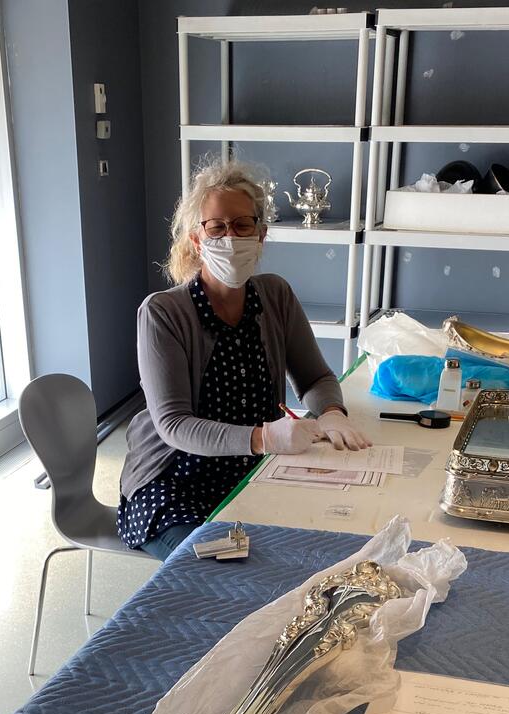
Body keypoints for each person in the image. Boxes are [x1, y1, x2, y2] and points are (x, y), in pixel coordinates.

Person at [118, 159, 371, 559]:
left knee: (323, 542)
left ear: (261, 234)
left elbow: (316, 378)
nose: (230, 237)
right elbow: (173, 425)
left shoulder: (275, 295)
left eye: (242, 225)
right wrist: (263, 437)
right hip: (175, 480)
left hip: (254, 470)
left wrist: (331, 412)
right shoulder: (163, 313)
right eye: (216, 226)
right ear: (196, 239)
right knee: (220, 570)